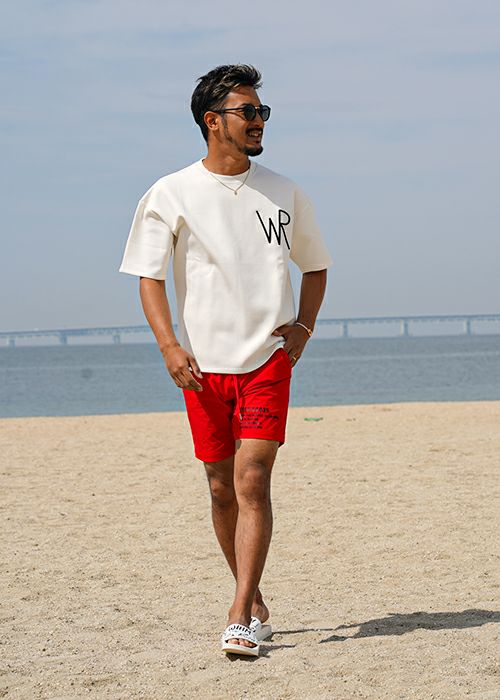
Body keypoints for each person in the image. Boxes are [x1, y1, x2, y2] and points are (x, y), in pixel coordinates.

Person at [119, 64, 332, 657]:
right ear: (213, 122)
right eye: (249, 112)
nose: (260, 121)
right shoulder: (170, 193)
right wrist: (169, 345)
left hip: (267, 358)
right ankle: (255, 599)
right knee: (220, 488)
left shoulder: (286, 191)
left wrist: (304, 327)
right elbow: (149, 277)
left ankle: (238, 615)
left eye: (263, 112)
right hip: (202, 368)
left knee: (252, 479)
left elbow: (315, 265)